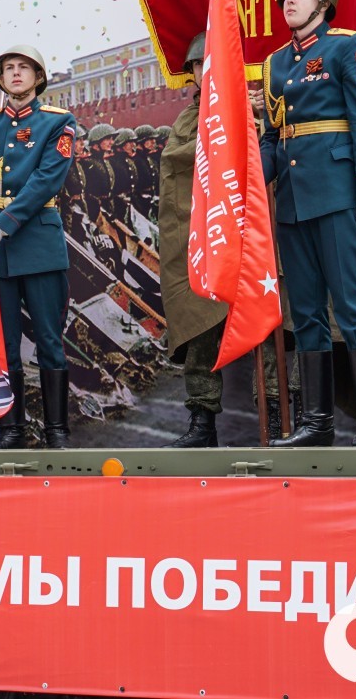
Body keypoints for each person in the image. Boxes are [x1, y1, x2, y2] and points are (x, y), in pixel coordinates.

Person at [259, 0, 356, 448]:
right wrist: (252, 183)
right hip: (293, 201)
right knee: (308, 314)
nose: (289, 1)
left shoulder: (347, 47)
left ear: (323, 3)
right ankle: (317, 424)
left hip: (339, 197)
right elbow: (274, 137)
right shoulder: (275, 63)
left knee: (353, 308)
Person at [0, 44, 77, 449]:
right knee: (2, 341)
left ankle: (56, 430)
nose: (15, 74)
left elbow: (45, 182)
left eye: (24, 68)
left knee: (49, 338)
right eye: (8, 68)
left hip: (38, 243)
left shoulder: (58, 122)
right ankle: (12, 429)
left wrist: (2, 226)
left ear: (38, 77)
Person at [157, 33, 228, 447]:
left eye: (209, 62)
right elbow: (175, 173)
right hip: (202, 238)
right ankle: (203, 421)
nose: (203, 71)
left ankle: (274, 416)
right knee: (200, 329)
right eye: (197, 66)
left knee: (265, 333)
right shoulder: (186, 120)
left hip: (247, 239)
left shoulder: (251, 106)